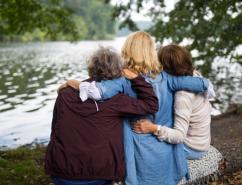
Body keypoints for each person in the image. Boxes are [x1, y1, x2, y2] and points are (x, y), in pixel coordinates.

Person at [62, 31, 211, 185]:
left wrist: (73, 83)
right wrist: (206, 84)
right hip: (166, 153)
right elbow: (201, 84)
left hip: (139, 156)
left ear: (127, 51)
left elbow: (98, 92)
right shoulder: (167, 78)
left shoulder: (122, 80)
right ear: (151, 52)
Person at [45, 47, 159, 185]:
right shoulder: (118, 100)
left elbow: (56, 128)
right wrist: (136, 78)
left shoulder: (65, 93)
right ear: (119, 71)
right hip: (98, 174)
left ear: (91, 68)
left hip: (61, 170)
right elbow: (151, 105)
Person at [133, 44, 212, 160]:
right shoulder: (195, 76)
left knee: (142, 146)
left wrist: (152, 128)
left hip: (191, 148)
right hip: (201, 141)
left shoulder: (183, 96)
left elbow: (179, 136)